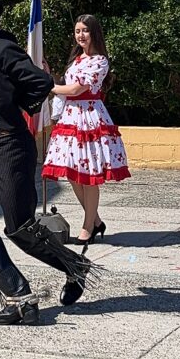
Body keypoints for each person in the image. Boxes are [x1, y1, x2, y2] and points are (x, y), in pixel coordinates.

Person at [0, 0, 98, 326]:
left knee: (20, 229)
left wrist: (14, 106)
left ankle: (74, 266)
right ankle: (19, 296)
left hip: (9, 147)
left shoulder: (2, 48)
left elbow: (39, 83)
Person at [42, 14, 130, 245]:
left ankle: (88, 225)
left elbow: (76, 89)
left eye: (85, 30)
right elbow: (67, 87)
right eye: (77, 31)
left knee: (89, 175)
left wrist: (49, 85)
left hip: (89, 118)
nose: (80, 35)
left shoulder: (100, 61)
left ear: (94, 33)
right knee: (73, 172)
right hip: (71, 117)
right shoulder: (77, 59)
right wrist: (49, 76)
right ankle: (96, 220)